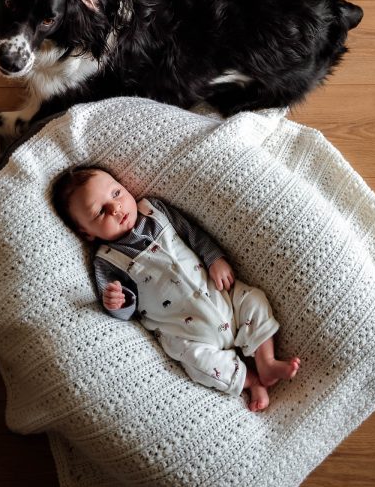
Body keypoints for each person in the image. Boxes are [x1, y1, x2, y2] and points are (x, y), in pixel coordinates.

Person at [52, 166, 300, 412]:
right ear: (87, 233)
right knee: (197, 364)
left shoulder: (154, 210)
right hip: (186, 331)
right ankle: (251, 380)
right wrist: (117, 302)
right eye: (100, 212)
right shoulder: (106, 260)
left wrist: (214, 259)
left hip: (221, 295)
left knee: (254, 299)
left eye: (116, 193)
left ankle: (265, 360)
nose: (115, 208)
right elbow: (125, 311)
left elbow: (192, 234)